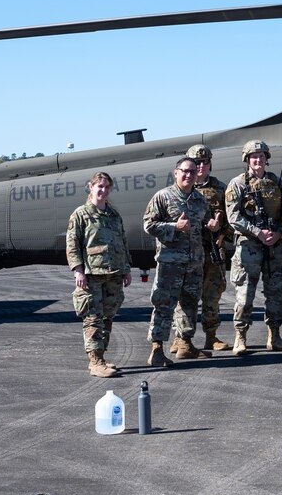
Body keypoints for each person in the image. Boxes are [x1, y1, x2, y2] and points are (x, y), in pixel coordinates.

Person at [142, 156, 210, 367]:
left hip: (194, 263)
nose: (189, 175)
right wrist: (174, 227)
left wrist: (213, 226)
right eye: (185, 171)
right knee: (164, 305)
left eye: (192, 171)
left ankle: (185, 344)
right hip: (170, 264)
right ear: (176, 172)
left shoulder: (200, 200)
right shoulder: (163, 197)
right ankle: (157, 350)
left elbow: (202, 227)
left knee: (189, 304)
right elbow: (148, 225)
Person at [224, 140, 282, 354]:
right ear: (247, 159)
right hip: (249, 247)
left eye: (261, 156)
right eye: (253, 156)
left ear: (267, 159)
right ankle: (240, 337)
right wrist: (258, 233)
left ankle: (275, 335)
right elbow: (233, 217)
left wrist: (279, 233)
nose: (258, 159)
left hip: (274, 247)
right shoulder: (237, 184)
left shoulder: (277, 183)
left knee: (275, 293)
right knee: (245, 296)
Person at [66, 171, 130, 376]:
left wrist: (126, 269)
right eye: (99, 186)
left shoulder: (113, 215)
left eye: (107, 187)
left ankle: (101, 356)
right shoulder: (81, 214)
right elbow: (72, 245)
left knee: (108, 317)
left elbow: (122, 242)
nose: (103, 190)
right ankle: (95, 362)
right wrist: (78, 270)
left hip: (113, 273)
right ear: (90, 187)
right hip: (91, 274)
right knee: (92, 318)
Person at [185, 143, 233, 353]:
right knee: (186, 296)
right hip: (189, 250)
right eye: (196, 162)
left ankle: (211, 336)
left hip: (213, 249)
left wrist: (222, 234)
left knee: (212, 294)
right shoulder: (181, 189)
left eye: (204, 162)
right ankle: (182, 339)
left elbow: (232, 218)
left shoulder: (221, 189)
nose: (201, 166)